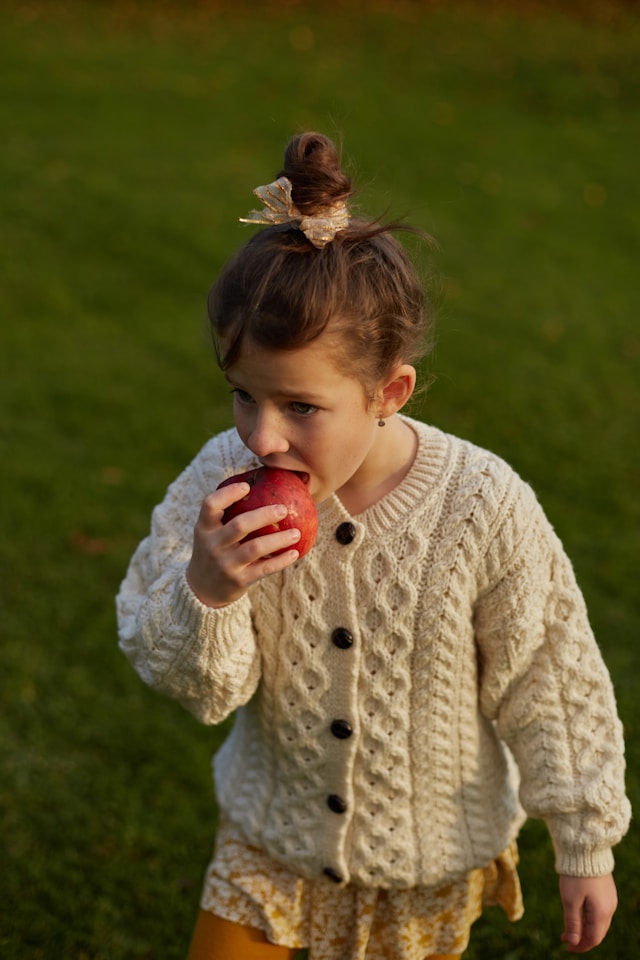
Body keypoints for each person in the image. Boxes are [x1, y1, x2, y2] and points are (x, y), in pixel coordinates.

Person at [116, 132, 630, 960]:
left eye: (300, 407)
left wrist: (584, 841)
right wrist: (206, 591)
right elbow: (195, 685)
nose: (264, 436)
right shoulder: (222, 480)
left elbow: (549, 674)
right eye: (242, 396)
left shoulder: (480, 504)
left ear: (388, 391)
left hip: (421, 868)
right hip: (269, 846)